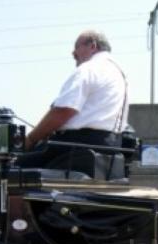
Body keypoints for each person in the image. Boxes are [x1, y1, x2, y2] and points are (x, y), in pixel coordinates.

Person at [17, 30, 128, 169]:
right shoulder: (118, 74)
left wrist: (31, 139)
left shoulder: (89, 68)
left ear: (92, 46)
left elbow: (63, 111)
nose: (73, 53)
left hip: (75, 147)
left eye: (77, 47)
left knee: (16, 165)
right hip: (110, 146)